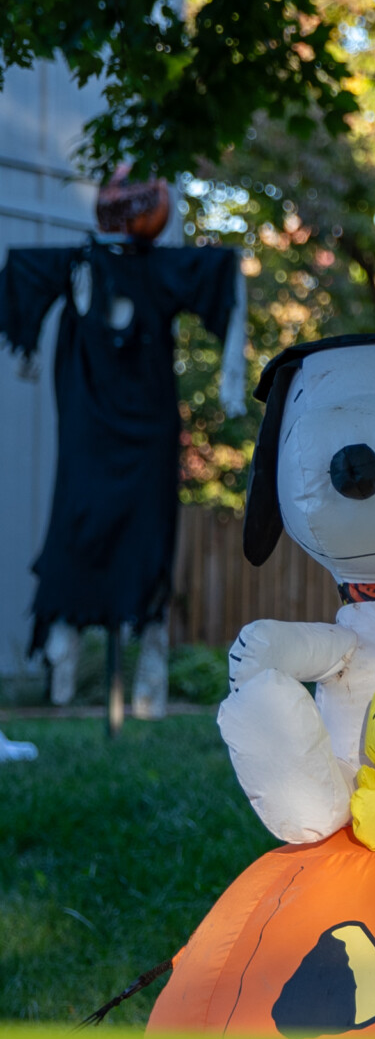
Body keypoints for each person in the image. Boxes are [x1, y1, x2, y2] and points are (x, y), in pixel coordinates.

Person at [3, 170, 244, 716]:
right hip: (89, 430)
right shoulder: (78, 266)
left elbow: (224, 271)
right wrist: (28, 352)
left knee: (144, 539)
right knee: (78, 527)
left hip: (146, 435)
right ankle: (67, 661)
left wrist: (234, 380)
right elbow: (20, 275)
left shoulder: (144, 269)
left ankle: (147, 679)